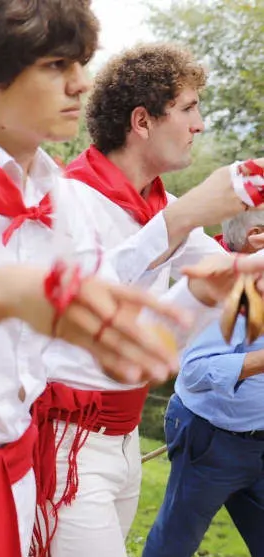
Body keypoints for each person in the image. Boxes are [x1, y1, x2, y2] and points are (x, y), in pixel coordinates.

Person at [0, 1, 264, 555]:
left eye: (80, 64)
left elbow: (105, 331)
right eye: (57, 65)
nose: (81, 83)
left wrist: (207, 293)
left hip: (20, 470)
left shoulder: (53, 196)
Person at [34, 43, 230, 557]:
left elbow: (230, 278)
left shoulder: (161, 207)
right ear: (142, 121)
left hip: (122, 440)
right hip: (69, 442)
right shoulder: (66, 197)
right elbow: (85, 296)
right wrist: (181, 219)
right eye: (188, 108)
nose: (199, 125)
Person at [141, 212, 264, 557]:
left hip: (258, 439)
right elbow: (194, 371)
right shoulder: (225, 289)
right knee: (174, 545)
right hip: (211, 439)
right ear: (257, 236)